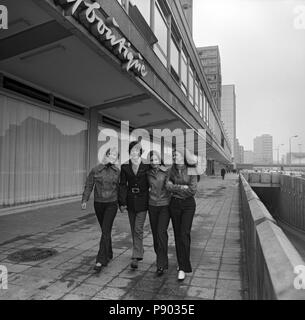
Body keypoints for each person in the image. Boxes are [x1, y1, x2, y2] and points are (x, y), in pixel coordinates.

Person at [81, 147, 120, 273]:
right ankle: (109, 252)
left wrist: (122, 204)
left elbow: (121, 188)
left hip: (111, 204)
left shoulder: (117, 171)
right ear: (106, 155)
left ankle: (100, 260)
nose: (112, 156)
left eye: (115, 155)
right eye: (111, 154)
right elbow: (89, 184)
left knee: (105, 229)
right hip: (99, 204)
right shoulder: (96, 169)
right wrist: (84, 199)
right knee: (105, 230)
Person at [166, 149, 198, 281]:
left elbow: (192, 190)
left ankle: (184, 267)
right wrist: (181, 188)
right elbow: (168, 186)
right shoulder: (170, 170)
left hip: (188, 205)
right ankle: (181, 263)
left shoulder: (191, 170)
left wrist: (176, 188)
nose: (174, 157)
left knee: (185, 233)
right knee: (178, 235)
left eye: (177, 154)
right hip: (174, 205)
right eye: (173, 155)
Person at [119, 141, 150, 269]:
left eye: (137, 150)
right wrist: (122, 202)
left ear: (140, 151)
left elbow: (153, 180)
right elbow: (122, 185)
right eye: (132, 150)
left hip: (143, 200)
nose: (134, 152)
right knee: (133, 229)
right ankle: (139, 249)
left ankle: (136, 256)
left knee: (138, 228)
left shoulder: (147, 166)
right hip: (130, 200)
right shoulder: (125, 166)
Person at [147, 151, 171, 276]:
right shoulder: (147, 173)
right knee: (156, 235)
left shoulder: (166, 172)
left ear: (159, 160)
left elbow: (169, 187)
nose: (154, 162)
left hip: (164, 206)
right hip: (152, 206)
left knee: (161, 233)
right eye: (152, 160)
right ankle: (162, 259)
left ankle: (160, 264)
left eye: (156, 159)